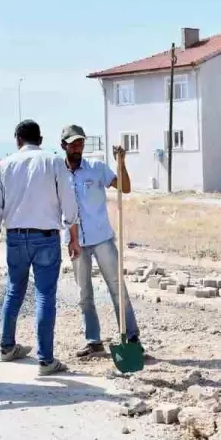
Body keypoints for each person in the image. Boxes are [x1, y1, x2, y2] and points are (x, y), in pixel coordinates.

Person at [0, 119, 79, 375]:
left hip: (15, 237)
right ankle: (46, 360)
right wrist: (72, 232)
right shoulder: (53, 161)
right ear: (41, 139)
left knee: (14, 291)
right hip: (46, 237)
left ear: (17, 140)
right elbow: (68, 199)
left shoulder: (6, 164)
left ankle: (6, 347)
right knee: (45, 295)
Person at [60, 125, 139, 357]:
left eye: (81, 143)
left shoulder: (96, 168)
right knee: (84, 293)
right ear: (63, 145)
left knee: (117, 288)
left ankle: (131, 337)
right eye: (73, 143)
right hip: (75, 241)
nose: (78, 147)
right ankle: (93, 341)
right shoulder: (57, 173)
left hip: (102, 238)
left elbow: (125, 187)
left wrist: (121, 162)